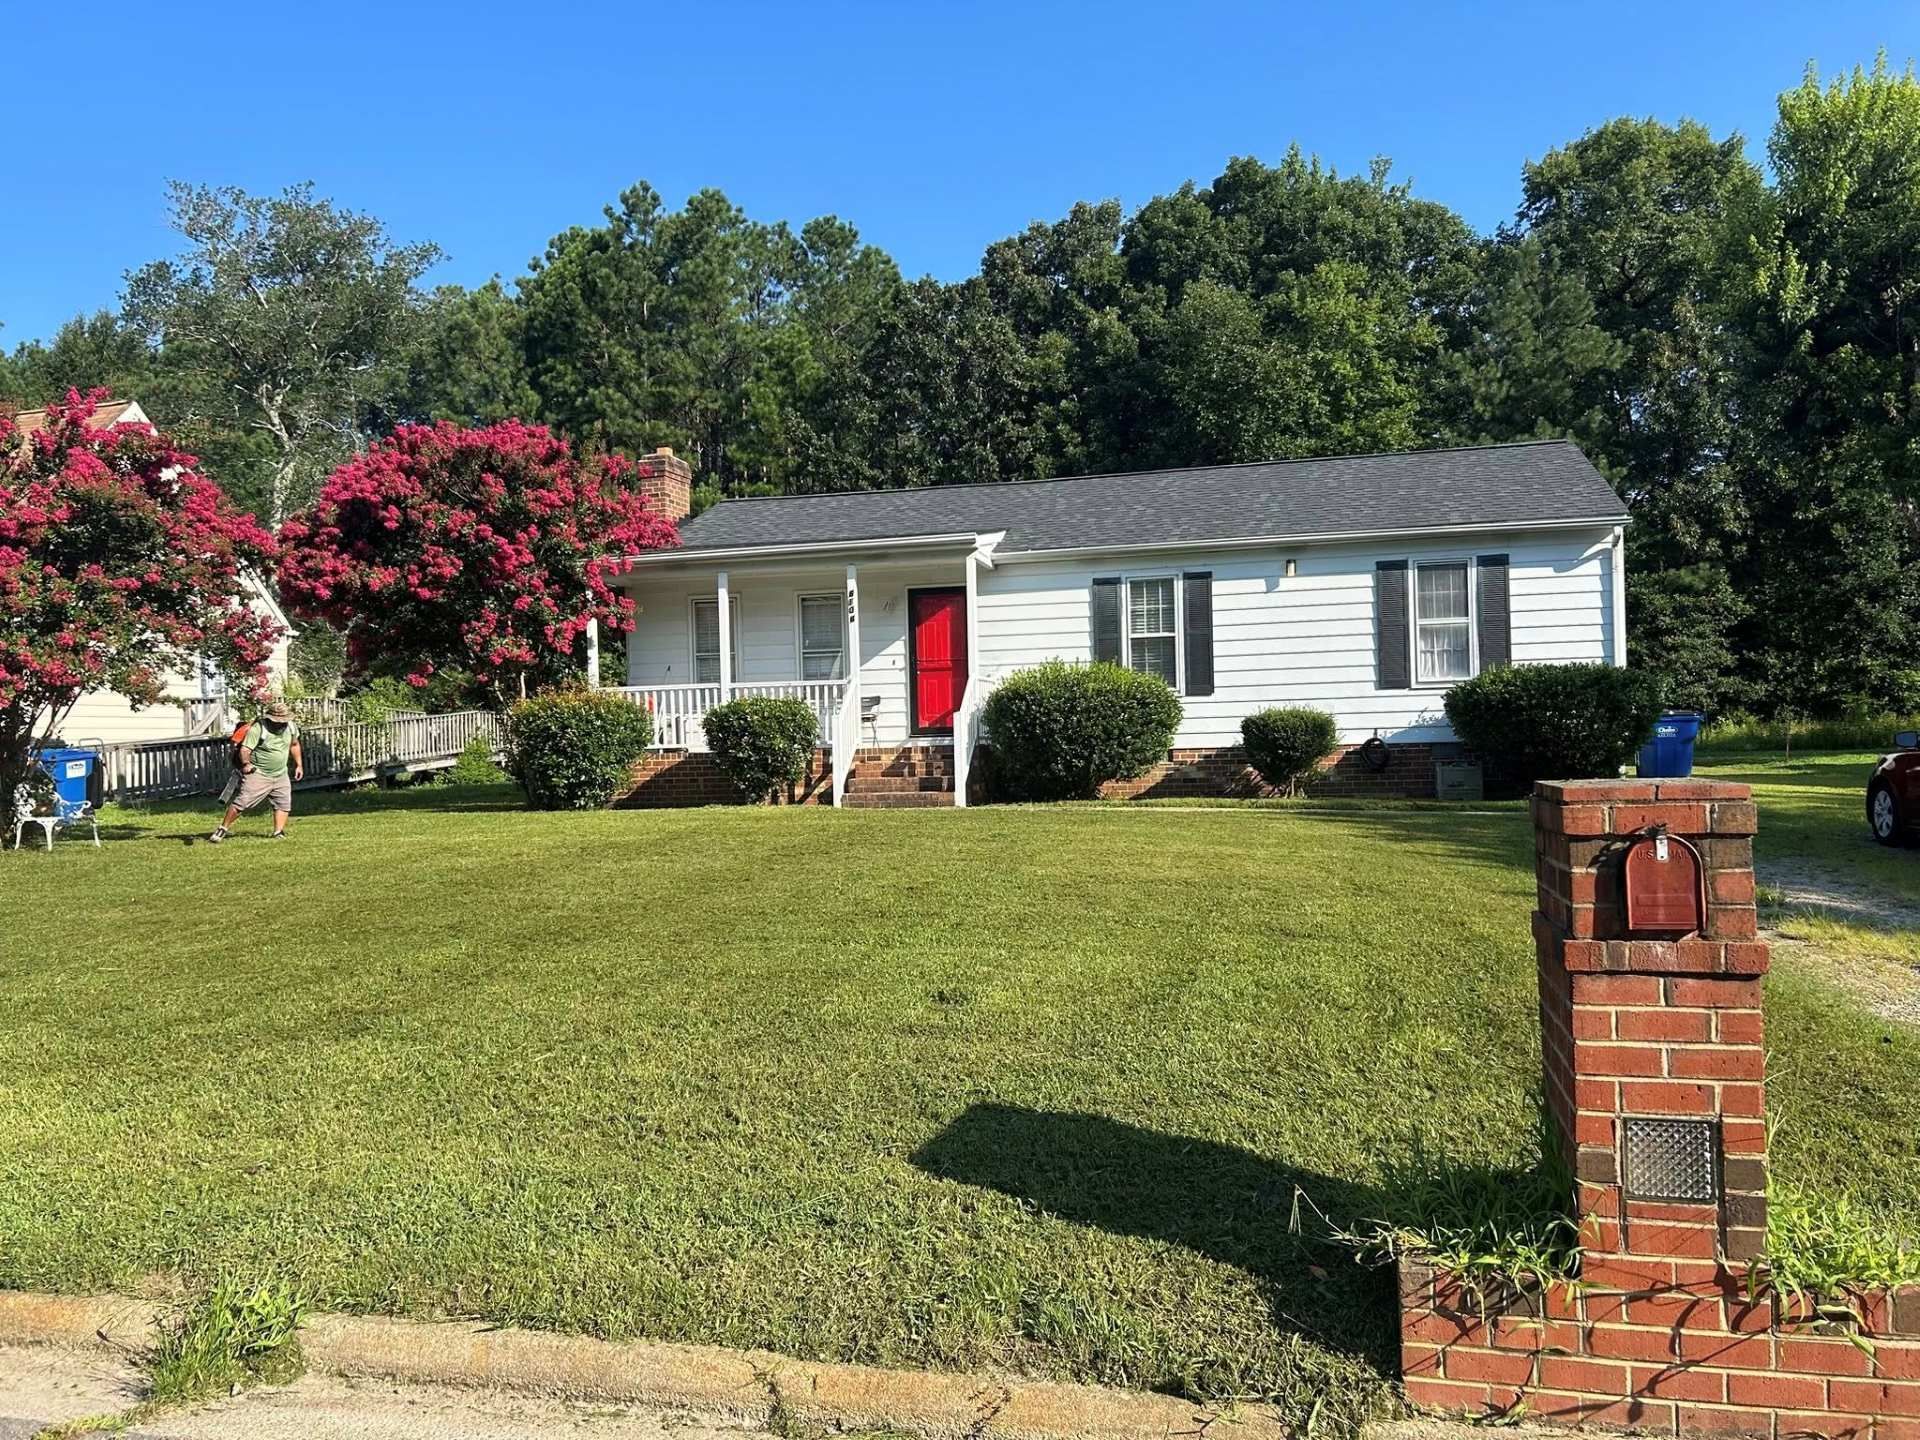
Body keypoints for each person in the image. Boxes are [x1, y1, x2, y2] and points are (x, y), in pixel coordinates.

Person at [208, 700, 304, 843]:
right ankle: (223, 828)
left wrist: (299, 765)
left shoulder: (291, 727)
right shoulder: (259, 728)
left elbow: (294, 745)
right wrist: (246, 764)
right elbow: (245, 749)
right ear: (271, 719)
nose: (281, 723)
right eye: (279, 721)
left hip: (280, 773)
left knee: (283, 803)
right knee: (242, 802)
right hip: (259, 773)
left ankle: (278, 832)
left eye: (284, 720)